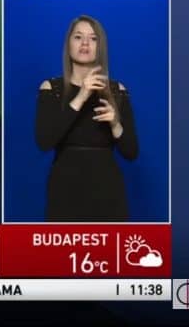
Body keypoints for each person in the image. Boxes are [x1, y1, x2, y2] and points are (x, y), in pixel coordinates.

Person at [35, 15, 139, 222]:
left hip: (108, 191)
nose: (85, 43)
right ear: (68, 45)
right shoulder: (51, 88)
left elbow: (131, 153)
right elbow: (44, 142)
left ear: (101, 47)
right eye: (78, 37)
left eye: (93, 38)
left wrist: (115, 124)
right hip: (65, 189)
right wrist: (81, 96)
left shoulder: (117, 90)